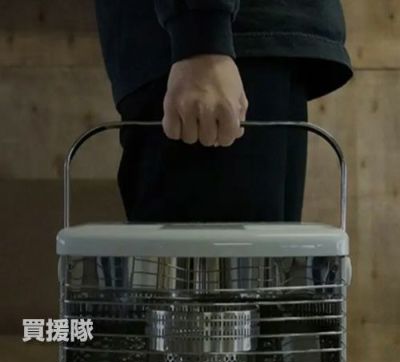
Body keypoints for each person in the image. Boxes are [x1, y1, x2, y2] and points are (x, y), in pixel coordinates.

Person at [95, 0, 352, 223]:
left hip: (230, 43)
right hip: (219, 46)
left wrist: (201, 33)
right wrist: (202, 33)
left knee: (252, 259)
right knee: (235, 259)